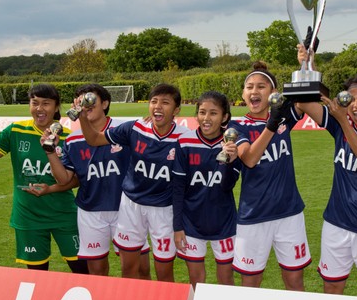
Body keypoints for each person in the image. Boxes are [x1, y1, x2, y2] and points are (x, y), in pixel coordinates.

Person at [297, 44, 357, 297]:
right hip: (336, 223)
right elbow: (305, 102)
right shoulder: (342, 124)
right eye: (351, 99)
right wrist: (307, 65)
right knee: (331, 288)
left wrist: (341, 118)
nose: (356, 105)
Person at [0, 83, 88, 273]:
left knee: (82, 271)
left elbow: (76, 180)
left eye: (46, 103)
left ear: (56, 107)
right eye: (34, 103)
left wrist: (50, 189)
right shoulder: (16, 130)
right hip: (28, 216)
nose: (39, 109)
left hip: (64, 214)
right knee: (36, 275)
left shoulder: (69, 138)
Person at [33, 83, 151, 278]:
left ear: (104, 103)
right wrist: (50, 152)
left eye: (90, 100)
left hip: (126, 208)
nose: (85, 105)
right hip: (91, 212)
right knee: (96, 272)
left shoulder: (125, 129)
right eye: (81, 101)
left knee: (139, 268)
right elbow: (64, 180)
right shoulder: (72, 140)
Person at [77, 83, 189, 282]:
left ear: (177, 110)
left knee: (164, 273)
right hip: (131, 207)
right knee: (129, 270)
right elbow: (94, 139)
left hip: (164, 210)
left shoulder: (184, 138)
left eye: (165, 103)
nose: (158, 107)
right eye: (154, 101)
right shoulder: (134, 128)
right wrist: (83, 118)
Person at [228, 61, 311, 291]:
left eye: (261, 86)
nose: (254, 91)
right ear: (243, 94)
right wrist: (272, 125)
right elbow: (250, 159)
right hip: (254, 215)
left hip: (289, 213)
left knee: (295, 282)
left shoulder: (284, 116)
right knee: (250, 285)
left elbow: (306, 95)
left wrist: (305, 61)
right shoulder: (238, 125)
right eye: (250, 87)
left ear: (273, 93)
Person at [172, 91, 240, 288]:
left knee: (226, 280)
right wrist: (178, 227)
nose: (206, 118)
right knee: (196, 280)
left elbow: (227, 186)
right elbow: (178, 188)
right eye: (202, 112)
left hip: (224, 222)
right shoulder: (185, 142)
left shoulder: (233, 144)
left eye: (213, 113)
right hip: (191, 223)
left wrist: (228, 160)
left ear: (225, 117)